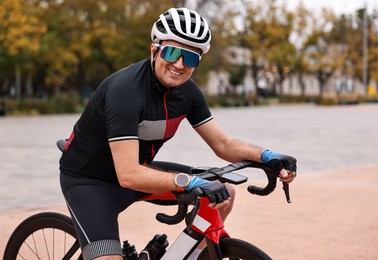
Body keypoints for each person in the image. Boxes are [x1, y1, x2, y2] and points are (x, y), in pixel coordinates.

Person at [59, 7, 297, 260]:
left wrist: (268, 156)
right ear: (154, 49)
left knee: (224, 192)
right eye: (172, 52)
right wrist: (191, 181)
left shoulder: (189, 93)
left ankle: (189, 256)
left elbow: (223, 144)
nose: (179, 64)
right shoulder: (124, 91)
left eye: (190, 58)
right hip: (89, 180)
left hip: (140, 171)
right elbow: (127, 174)